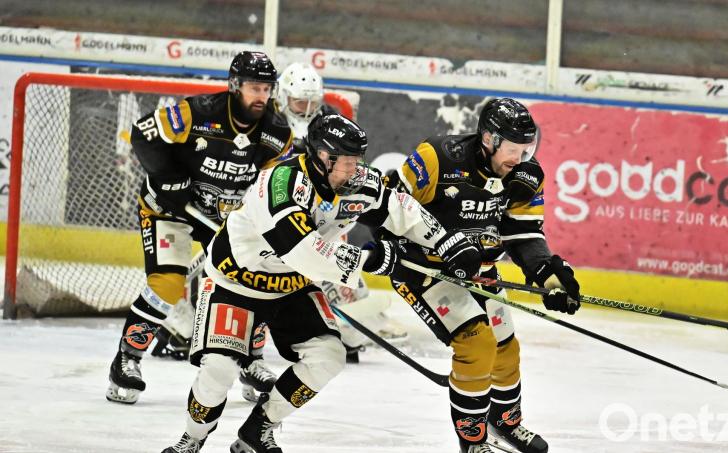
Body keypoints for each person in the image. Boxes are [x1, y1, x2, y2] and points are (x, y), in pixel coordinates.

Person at [161, 113, 480, 453]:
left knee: (328, 355)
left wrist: (445, 241)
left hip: (291, 286)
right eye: (347, 161)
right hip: (235, 282)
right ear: (323, 157)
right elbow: (302, 251)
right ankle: (191, 439)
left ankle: (259, 429)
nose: (356, 169)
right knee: (219, 370)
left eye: (358, 160)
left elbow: (396, 206)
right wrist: (368, 261)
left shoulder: (353, 180)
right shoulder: (282, 183)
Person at [383, 98, 581, 453]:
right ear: (489, 139)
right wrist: (399, 249)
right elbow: (391, 209)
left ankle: (506, 421)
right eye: (513, 150)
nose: (520, 160)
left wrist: (549, 277)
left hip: (480, 272)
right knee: (477, 344)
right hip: (425, 271)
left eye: (527, 150)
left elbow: (523, 234)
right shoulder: (437, 158)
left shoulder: (525, 175)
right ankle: (472, 440)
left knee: (506, 347)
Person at [105, 51, 293, 405]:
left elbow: (273, 184)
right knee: (167, 284)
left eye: (267, 89)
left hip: (222, 220)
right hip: (169, 209)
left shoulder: (276, 133)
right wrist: (167, 178)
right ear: (234, 86)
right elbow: (142, 135)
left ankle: (250, 360)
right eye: (255, 87)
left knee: (255, 281)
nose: (262, 97)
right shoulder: (198, 112)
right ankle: (127, 359)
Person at [277, 62, 408, 362]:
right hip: (286, 218)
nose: (307, 108)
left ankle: (340, 329)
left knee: (357, 324)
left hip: (325, 221)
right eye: (300, 101)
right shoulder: (271, 126)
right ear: (284, 97)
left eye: (313, 101)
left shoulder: (327, 122)